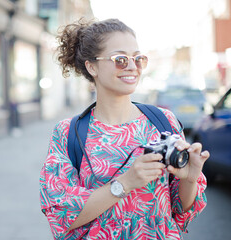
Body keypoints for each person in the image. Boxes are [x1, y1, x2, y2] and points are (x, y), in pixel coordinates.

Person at [39, 18, 209, 239]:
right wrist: (125, 183)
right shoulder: (67, 132)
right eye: (120, 59)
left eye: (138, 59)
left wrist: (190, 178)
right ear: (92, 67)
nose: (132, 66)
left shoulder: (163, 121)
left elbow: (181, 208)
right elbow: (62, 215)